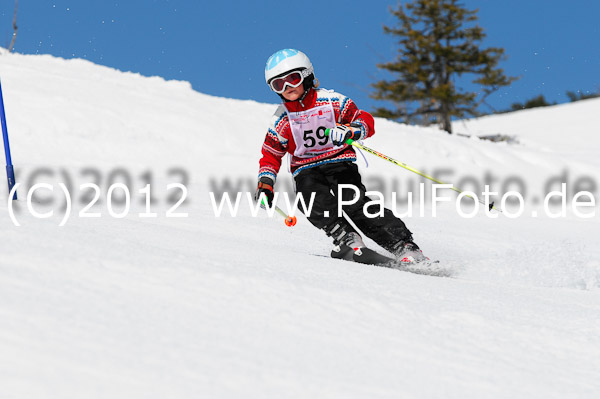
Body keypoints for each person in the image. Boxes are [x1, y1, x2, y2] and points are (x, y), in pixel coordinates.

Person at [254, 49, 427, 265]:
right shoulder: (281, 119)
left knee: (354, 204)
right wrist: (265, 184)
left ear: (307, 76)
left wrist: (350, 130)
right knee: (310, 200)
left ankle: (403, 245)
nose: (287, 88)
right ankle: (346, 238)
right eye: (279, 85)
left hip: (338, 163)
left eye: (293, 79)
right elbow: (271, 154)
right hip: (305, 170)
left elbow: (363, 119)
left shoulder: (331, 101)